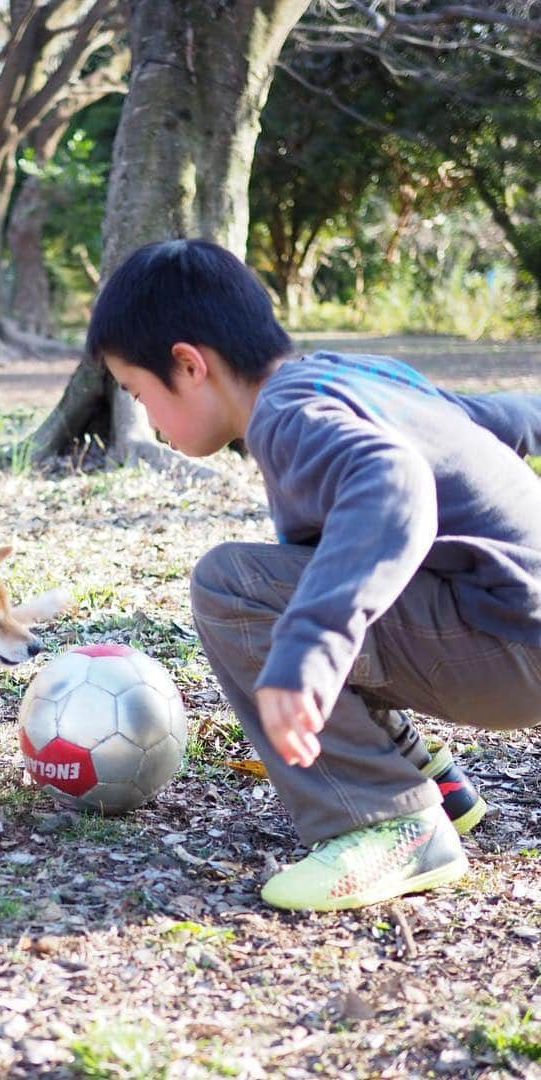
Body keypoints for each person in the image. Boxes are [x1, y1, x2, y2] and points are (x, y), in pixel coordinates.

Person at [86, 238, 541, 911]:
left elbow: (393, 481)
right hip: (509, 628)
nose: (148, 420)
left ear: (188, 365)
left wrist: (310, 644)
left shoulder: (288, 416)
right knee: (323, 569)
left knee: (235, 586)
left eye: (139, 393)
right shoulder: (352, 375)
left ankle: (385, 823)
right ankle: (433, 784)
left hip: (506, 647)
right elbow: (503, 419)